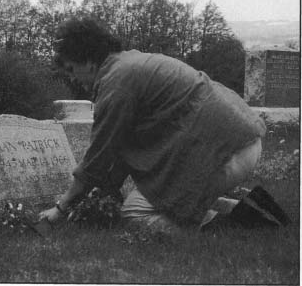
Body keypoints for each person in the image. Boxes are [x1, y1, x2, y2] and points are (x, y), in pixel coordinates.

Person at [38, 17, 266, 233]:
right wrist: (103, 191)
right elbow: (120, 150)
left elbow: (97, 157)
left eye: (71, 69)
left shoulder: (116, 83)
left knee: (133, 212)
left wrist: (60, 208)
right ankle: (244, 210)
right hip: (242, 138)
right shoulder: (128, 64)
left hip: (225, 153)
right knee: (150, 195)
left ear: (87, 59)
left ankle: (220, 226)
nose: (72, 77)